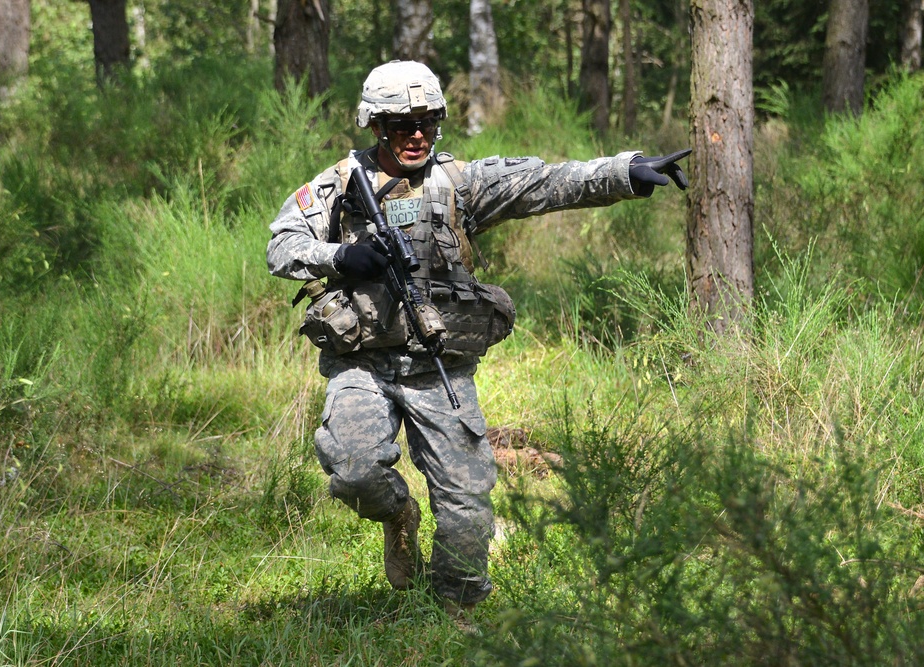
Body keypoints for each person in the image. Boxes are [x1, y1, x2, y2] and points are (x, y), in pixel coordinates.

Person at [266, 60, 688, 618]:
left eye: (428, 122)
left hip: (438, 363)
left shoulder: (458, 183)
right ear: (374, 125)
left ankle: (453, 613)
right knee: (353, 469)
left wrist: (626, 172)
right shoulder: (339, 185)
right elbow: (281, 245)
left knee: (466, 509)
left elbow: (545, 182)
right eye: (401, 124)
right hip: (362, 364)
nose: (416, 134)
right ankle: (398, 516)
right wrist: (339, 254)